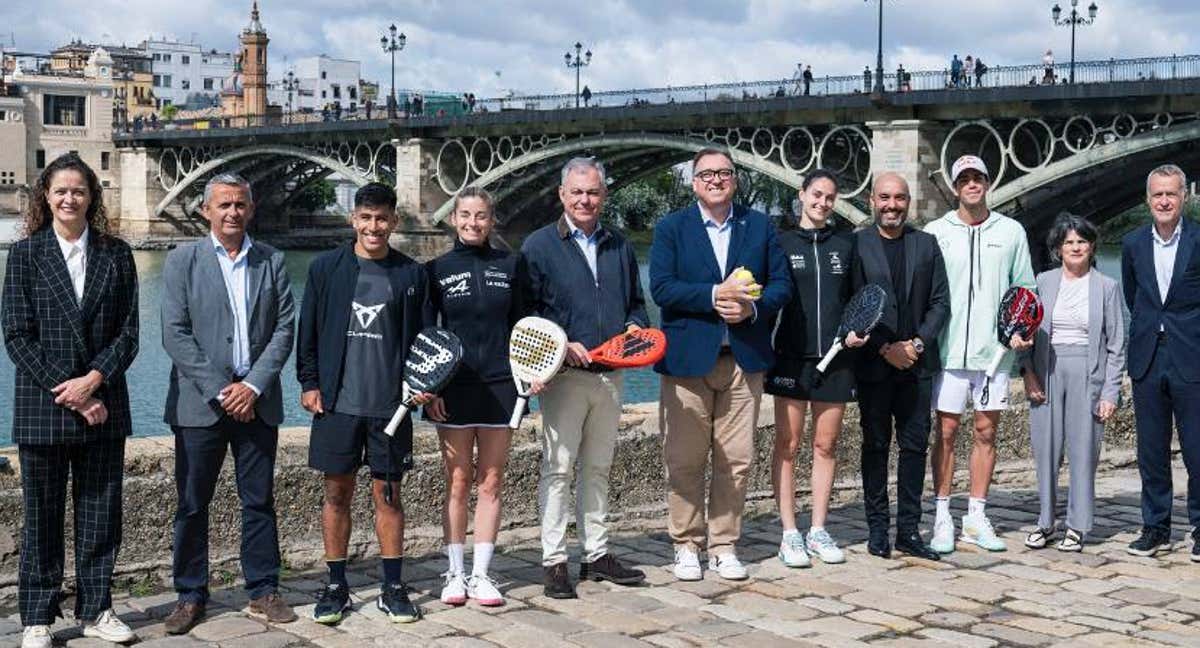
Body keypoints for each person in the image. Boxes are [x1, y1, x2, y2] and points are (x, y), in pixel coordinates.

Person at [3, 154, 139, 648]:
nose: (69, 198)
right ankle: (38, 616)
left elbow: (129, 333)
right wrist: (77, 392)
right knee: (41, 516)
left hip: (104, 401)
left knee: (101, 513)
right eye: (60, 190)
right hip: (47, 406)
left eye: (78, 190)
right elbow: (17, 336)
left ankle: (97, 609)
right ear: (45, 196)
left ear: (91, 197)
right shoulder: (25, 255)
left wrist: (96, 378)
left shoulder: (117, 254)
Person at [160, 173, 297, 634]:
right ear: (206, 211)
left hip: (256, 401)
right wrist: (223, 389)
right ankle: (190, 594)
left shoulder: (272, 261)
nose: (232, 212)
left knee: (258, 500)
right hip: (202, 404)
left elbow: (284, 330)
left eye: (240, 204)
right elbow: (174, 334)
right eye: (223, 205)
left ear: (251, 210)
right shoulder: (182, 260)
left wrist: (252, 386)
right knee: (193, 503)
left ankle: (262, 588)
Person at [650, 147, 791, 581]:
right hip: (688, 361)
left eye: (724, 173)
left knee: (737, 459)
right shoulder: (672, 228)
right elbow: (662, 288)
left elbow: (782, 285)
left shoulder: (759, 225)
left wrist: (753, 310)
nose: (715, 180)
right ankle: (687, 543)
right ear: (694, 183)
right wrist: (717, 295)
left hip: (742, 361)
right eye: (706, 174)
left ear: (735, 179)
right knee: (685, 458)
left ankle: (725, 544)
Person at [296, 182, 433, 625]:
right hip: (337, 404)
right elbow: (309, 332)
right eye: (366, 218)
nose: (374, 226)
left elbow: (425, 340)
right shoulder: (325, 269)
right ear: (353, 219)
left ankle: (392, 587)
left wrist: (423, 385)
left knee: (388, 496)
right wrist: (309, 382)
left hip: (389, 407)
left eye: (382, 219)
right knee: (335, 494)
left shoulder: (412, 275)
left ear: (394, 221)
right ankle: (336, 585)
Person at [520, 157, 649, 598]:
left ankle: (596, 554)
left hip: (611, 375)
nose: (585, 199)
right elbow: (526, 315)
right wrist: (560, 343)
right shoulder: (537, 246)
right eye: (576, 191)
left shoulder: (619, 245)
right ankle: (554, 561)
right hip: (564, 378)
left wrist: (634, 327)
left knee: (598, 468)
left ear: (604, 196)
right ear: (561, 195)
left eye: (592, 192)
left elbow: (635, 303)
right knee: (557, 469)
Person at [924, 155, 1035, 554]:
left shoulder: (1011, 231)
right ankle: (941, 515)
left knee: (987, 432)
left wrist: (1021, 331)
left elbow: (1025, 289)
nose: (971, 184)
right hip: (948, 353)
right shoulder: (935, 232)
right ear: (955, 187)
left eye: (978, 178)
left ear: (988, 183)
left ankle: (975, 515)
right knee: (947, 433)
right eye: (964, 179)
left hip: (994, 355)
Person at [424, 187, 529, 607]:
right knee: (457, 480)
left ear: (491, 220)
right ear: (454, 219)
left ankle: (482, 574)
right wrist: (430, 386)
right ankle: (454, 572)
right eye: (465, 215)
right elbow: (426, 335)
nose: (473, 223)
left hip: (502, 386)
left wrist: (532, 372)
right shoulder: (435, 269)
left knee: (491, 480)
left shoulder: (511, 265)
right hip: (453, 390)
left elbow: (526, 325)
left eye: (481, 216)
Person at [766, 170, 863, 567]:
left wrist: (858, 331)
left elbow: (858, 297)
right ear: (802, 194)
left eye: (829, 198)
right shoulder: (781, 241)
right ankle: (789, 532)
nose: (822, 203)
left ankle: (819, 528)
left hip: (836, 359)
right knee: (787, 447)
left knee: (826, 446)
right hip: (791, 356)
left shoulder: (846, 242)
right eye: (816, 195)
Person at [852, 172, 949, 561]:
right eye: (885, 198)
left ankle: (908, 530)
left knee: (914, 448)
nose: (892, 205)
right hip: (875, 366)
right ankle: (878, 529)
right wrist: (883, 348)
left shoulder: (926, 244)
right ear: (872, 200)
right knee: (875, 447)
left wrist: (916, 344)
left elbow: (940, 302)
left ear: (909, 202)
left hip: (917, 364)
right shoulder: (856, 245)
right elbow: (854, 306)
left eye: (900, 199)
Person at [1022, 213, 1125, 552]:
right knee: (1046, 450)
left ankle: (1078, 525)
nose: (1076, 247)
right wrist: (1028, 373)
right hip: (1047, 369)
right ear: (1059, 248)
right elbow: (1026, 333)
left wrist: (1110, 391)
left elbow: (1115, 345)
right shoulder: (1044, 281)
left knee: (1083, 453)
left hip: (1087, 371)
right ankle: (1046, 522)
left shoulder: (1107, 287)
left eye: (1082, 241)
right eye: (1069, 242)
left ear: (1092, 246)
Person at [1121, 164, 1200, 560]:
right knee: (1151, 451)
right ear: (1147, 199)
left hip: (1192, 357)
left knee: (1197, 449)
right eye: (1157, 195)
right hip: (1148, 357)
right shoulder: (1133, 244)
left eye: (1171, 194)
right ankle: (1156, 528)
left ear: (1184, 196)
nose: (1165, 201)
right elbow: (1134, 297)